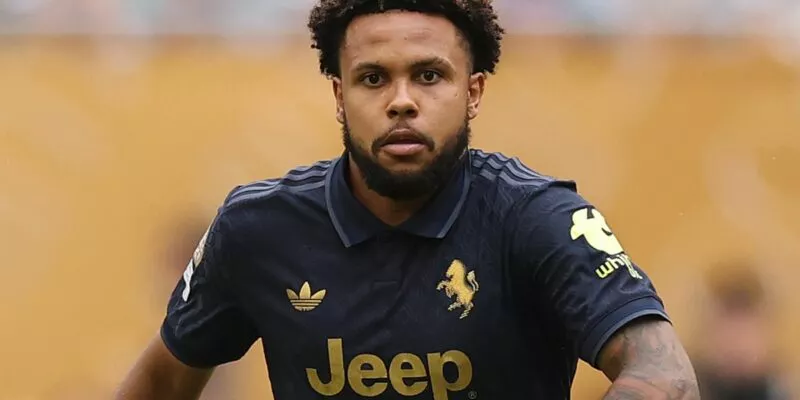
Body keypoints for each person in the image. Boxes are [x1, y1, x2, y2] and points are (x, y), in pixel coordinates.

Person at [114, 1, 699, 399]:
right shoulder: (257, 228)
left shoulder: (538, 220)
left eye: (428, 76)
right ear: (339, 96)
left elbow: (665, 375)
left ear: (473, 92)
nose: (401, 101)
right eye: (373, 78)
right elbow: (160, 383)